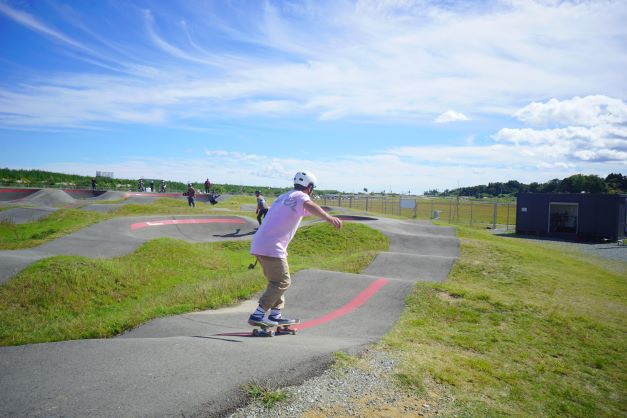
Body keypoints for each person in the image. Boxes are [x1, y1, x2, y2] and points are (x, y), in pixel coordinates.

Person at [248, 171, 343, 326]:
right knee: (283, 282)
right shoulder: (300, 196)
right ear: (310, 187)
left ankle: (275, 315)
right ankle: (258, 314)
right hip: (272, 246)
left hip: (260, 243)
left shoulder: (284, 196)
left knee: (275, 281)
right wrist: (329, 218)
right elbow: (309, 205)